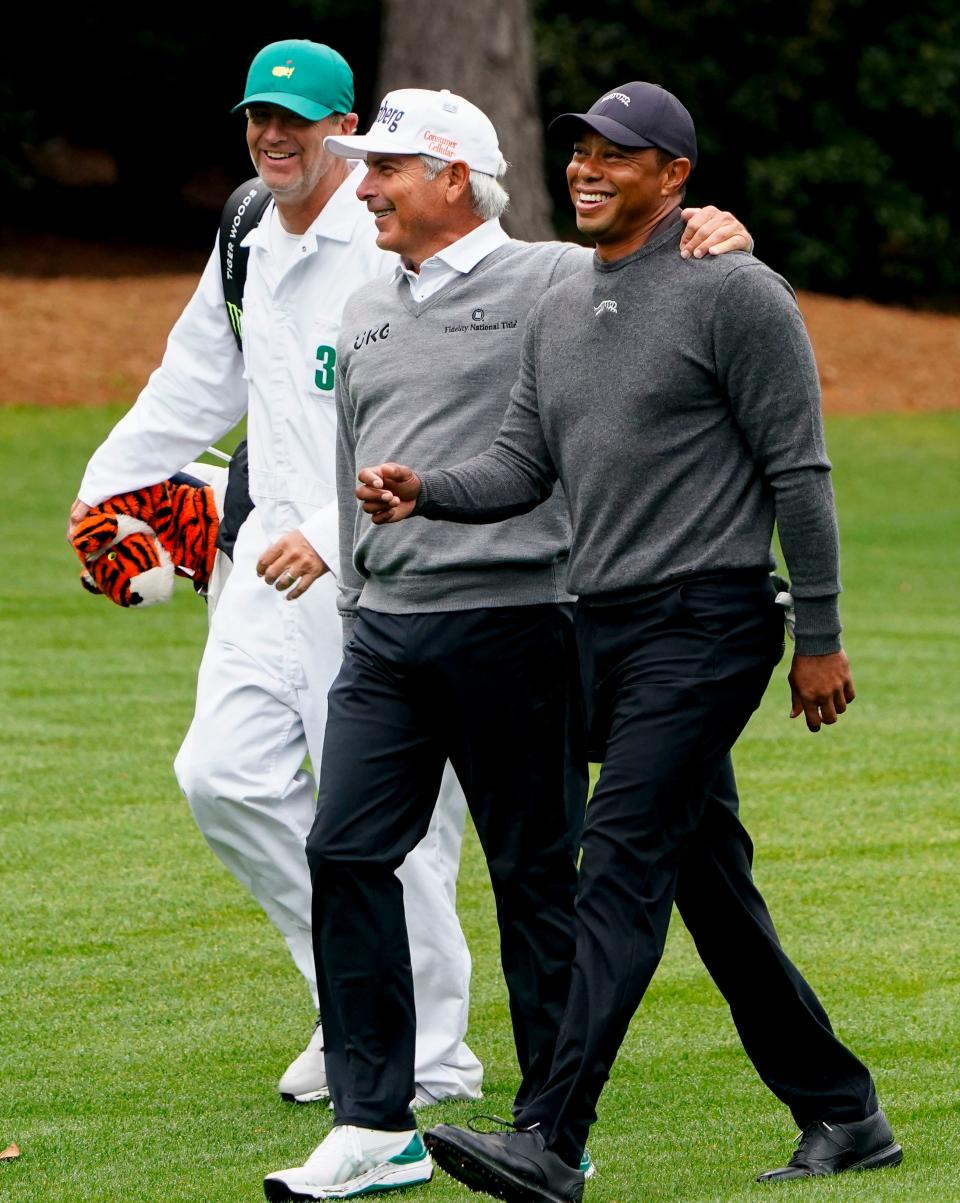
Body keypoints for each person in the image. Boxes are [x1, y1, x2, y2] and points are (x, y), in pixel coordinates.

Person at [355, 82, 902, 1199]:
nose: (590, 169)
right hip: (601, 630)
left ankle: (550, 1135)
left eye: (620, 154)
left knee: (618, 860)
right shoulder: (561, 309)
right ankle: (844, 1111)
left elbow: (800, 471)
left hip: (710, 623)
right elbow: (520, 465)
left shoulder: (734, 291)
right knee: (712, 890)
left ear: (675, 178)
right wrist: (428, 491)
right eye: (580, 152)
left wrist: (822, 635)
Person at [263, 88, 753, 1202]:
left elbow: (673, 287)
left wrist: (719, 232)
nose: (366, 184)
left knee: (534, 878)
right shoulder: (364, 299)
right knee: (343, 853)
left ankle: (547, 1132)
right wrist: (354, 599)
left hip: (523, 623)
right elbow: (356, 464)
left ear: (453, 180)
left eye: (385, 166)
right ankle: (375, 1123)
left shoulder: (553, 278)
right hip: (388, 632)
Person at [67, 39, 483, 1108]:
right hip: (261, 549)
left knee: (392, 821)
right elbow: (198, 377)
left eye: (296, 121)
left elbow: (470, 406)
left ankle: (429, 1054)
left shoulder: (401, 233)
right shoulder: (247, 226)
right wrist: (105, 494)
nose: (273, 137)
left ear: (346, 133)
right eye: (259, 117)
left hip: (399, 563)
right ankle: (351, 996)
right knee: (223, 776)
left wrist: (342, 530)